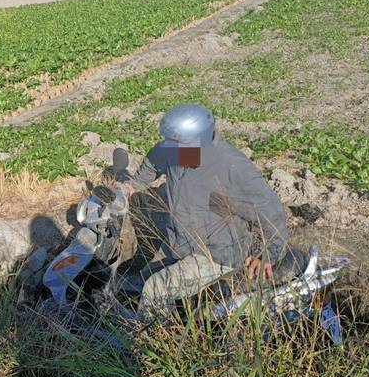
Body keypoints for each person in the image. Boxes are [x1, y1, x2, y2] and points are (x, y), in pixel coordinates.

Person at [120, 103, 290, 314]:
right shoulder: (175, 150)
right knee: (138, 281)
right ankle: (175, 321)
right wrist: (132, 185)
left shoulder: (233, 168)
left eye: (174, 144)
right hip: (180, 243)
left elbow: (271, 213)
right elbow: (154, 162)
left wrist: (267, 255)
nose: (168, 147)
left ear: (196, 142)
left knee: (156, 289)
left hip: (217, 254)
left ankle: (143, 343)